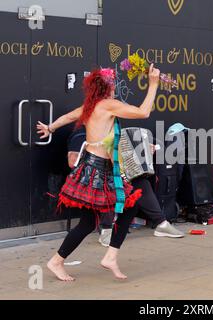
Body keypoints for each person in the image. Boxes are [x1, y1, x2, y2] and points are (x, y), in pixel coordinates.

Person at [36, 65, 160, 281]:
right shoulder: (109, 105)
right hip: (96, 171)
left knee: (98, 217)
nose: (115, 88)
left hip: (94, 169)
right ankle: (67, 260)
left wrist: (50, 127)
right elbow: (143, 112)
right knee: (126, 207)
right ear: (108, 87)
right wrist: (153, 84)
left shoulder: (91, 106)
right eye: (113, 84)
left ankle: (96, 257)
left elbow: (67, 117)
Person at [66, 127, 184, 248]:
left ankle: (161, 223)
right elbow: (73, 162)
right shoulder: (81, 134)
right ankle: (106, 230)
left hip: (115, 173)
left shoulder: (112, 132)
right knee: (109, 185)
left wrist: (144, 150)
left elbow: (123, 154)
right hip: (91, 178)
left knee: (141, 182)